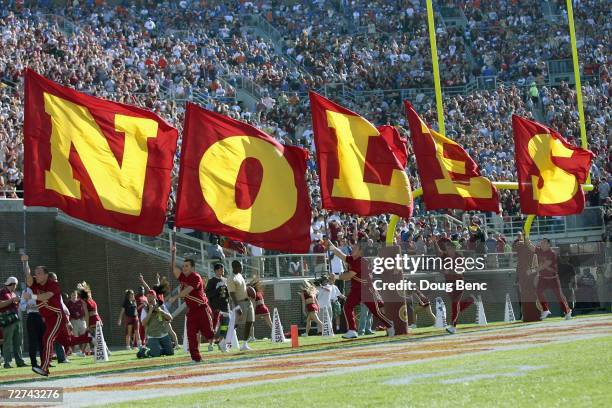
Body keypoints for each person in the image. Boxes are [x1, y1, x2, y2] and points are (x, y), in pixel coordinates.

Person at [22, 255, 92, 376]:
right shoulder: (36, 283)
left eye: (39, 273)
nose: (36, 275)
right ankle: (90, 338)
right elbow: (28, 278)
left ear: (46, 275)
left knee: (47, 339)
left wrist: (32, 297)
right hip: (47, 318)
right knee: (67, 342)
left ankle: (44, 368)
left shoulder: (53, 284)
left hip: (57, 316)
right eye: (35, 273)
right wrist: (25, 262)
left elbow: (46, 296)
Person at [326, 240, 394, 339]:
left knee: (376, 312)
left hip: (366, 290)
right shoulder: (353, 259)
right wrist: (332, 246)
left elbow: (349, 275)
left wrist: (335, 277)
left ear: (360, 251)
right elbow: (341, 255)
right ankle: (352, 330)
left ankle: (390, 325)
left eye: (355, 248)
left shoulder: (361, 261)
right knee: (347, 307)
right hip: (356, 290)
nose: (352, 248)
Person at [168, 248, 214, 363]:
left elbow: (187, 291)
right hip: (192, 311)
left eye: (186, 266)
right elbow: (174, 268)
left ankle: (222, 337)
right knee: (191, 335)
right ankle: (196, 358)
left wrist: (175, 297)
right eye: (183, 266)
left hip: (202, 309)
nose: (184, 268)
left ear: (192, 267)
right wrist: (173, 254)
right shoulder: (183, 277)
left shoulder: (196, 277)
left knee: (209, 334)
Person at [436, 240, 476, 334]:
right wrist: (434, 242)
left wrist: (449, 271)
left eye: (449, 248)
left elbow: (461, 270)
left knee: (455, 304)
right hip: (448, 283)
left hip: (458, 282)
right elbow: (438, 252)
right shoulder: (445, 256)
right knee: (455, 306)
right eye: (446, 248)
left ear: (453, 248)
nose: (447, 249)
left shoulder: (459, 257)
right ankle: (470, 300)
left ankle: (453, 326)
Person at [533, 238, 572, 320]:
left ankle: (567, 311)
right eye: (541, 242)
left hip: (553, 278)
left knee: (559, 296)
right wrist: (526, 239)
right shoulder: (539, 250)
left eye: (543, 243)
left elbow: (545, 265)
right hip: (543, 278)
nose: (541, 244)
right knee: (538, 291)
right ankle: (545, 309)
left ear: (548, 244)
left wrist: (533, 270)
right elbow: (531, 247)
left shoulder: (552, 253)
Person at [226, 260, 255, 350]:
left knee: (250, 321)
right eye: (240, 266)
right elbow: (232, 294)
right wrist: (237, 306)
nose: (242, 268)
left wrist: (250, 289)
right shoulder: (231, 278)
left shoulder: (240, 275)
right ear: (234, 267)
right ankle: (224, 342)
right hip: (240, 302)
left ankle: (245, 344)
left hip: (248, 302)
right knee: (235, 324)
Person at [137, 290, 174, 358]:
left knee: (170, 353)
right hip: (152, 335)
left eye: (150, 296)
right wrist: (150, 312)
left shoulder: (161, 306)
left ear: (154, 297)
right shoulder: (145, 309)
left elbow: (170, 318)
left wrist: (161, 311)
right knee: (156, 355)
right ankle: (144, 352)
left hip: (163, 334)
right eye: (147, 296)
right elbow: (143, 323)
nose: (148, 298)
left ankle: (159, 350)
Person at [0, 277, 25, 368]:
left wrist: (17, 302)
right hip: (8, 321)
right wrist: (12, 300)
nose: (16, 286)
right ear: (13, 284)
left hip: (16, 319)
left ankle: (20, 361)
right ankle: (7, 363)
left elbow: (14, 305)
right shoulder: (2, 292)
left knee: (18, 342)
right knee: (7, 342)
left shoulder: (13, 293)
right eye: (15, 284)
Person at [205, 263, 229, 352]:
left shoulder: (225, 280)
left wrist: (227, 289)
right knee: (214, 326)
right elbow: (208, 294)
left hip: (225, 306)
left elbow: (228, 294)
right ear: (215, 271)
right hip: (216, 307)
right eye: (219, 270)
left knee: (225, 325)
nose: (221, 271)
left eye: (222, 270)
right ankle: (210, 344)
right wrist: (217, 289)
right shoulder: (211, 281)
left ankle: (221, 342)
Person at [19, 285, 43, 368]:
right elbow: (22, 306)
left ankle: (45, 361)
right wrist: (35, 307)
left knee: (43, 341)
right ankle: (34, 363)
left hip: (43, 316)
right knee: (33, 342)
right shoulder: (26, 290)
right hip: (32, 316)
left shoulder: (42, 288)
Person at [66, 290, 87, 356]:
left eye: (75, 295)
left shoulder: (80, 301)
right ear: (70, 296)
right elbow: (67, 313)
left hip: (81, 320)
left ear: (77, 295)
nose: (74, 296)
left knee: (84, 334)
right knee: (75, 336)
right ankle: (77, 350)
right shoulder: (68, 303)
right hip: (73, 321)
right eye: (72, 295)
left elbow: (85, 309)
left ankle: (86, 350)